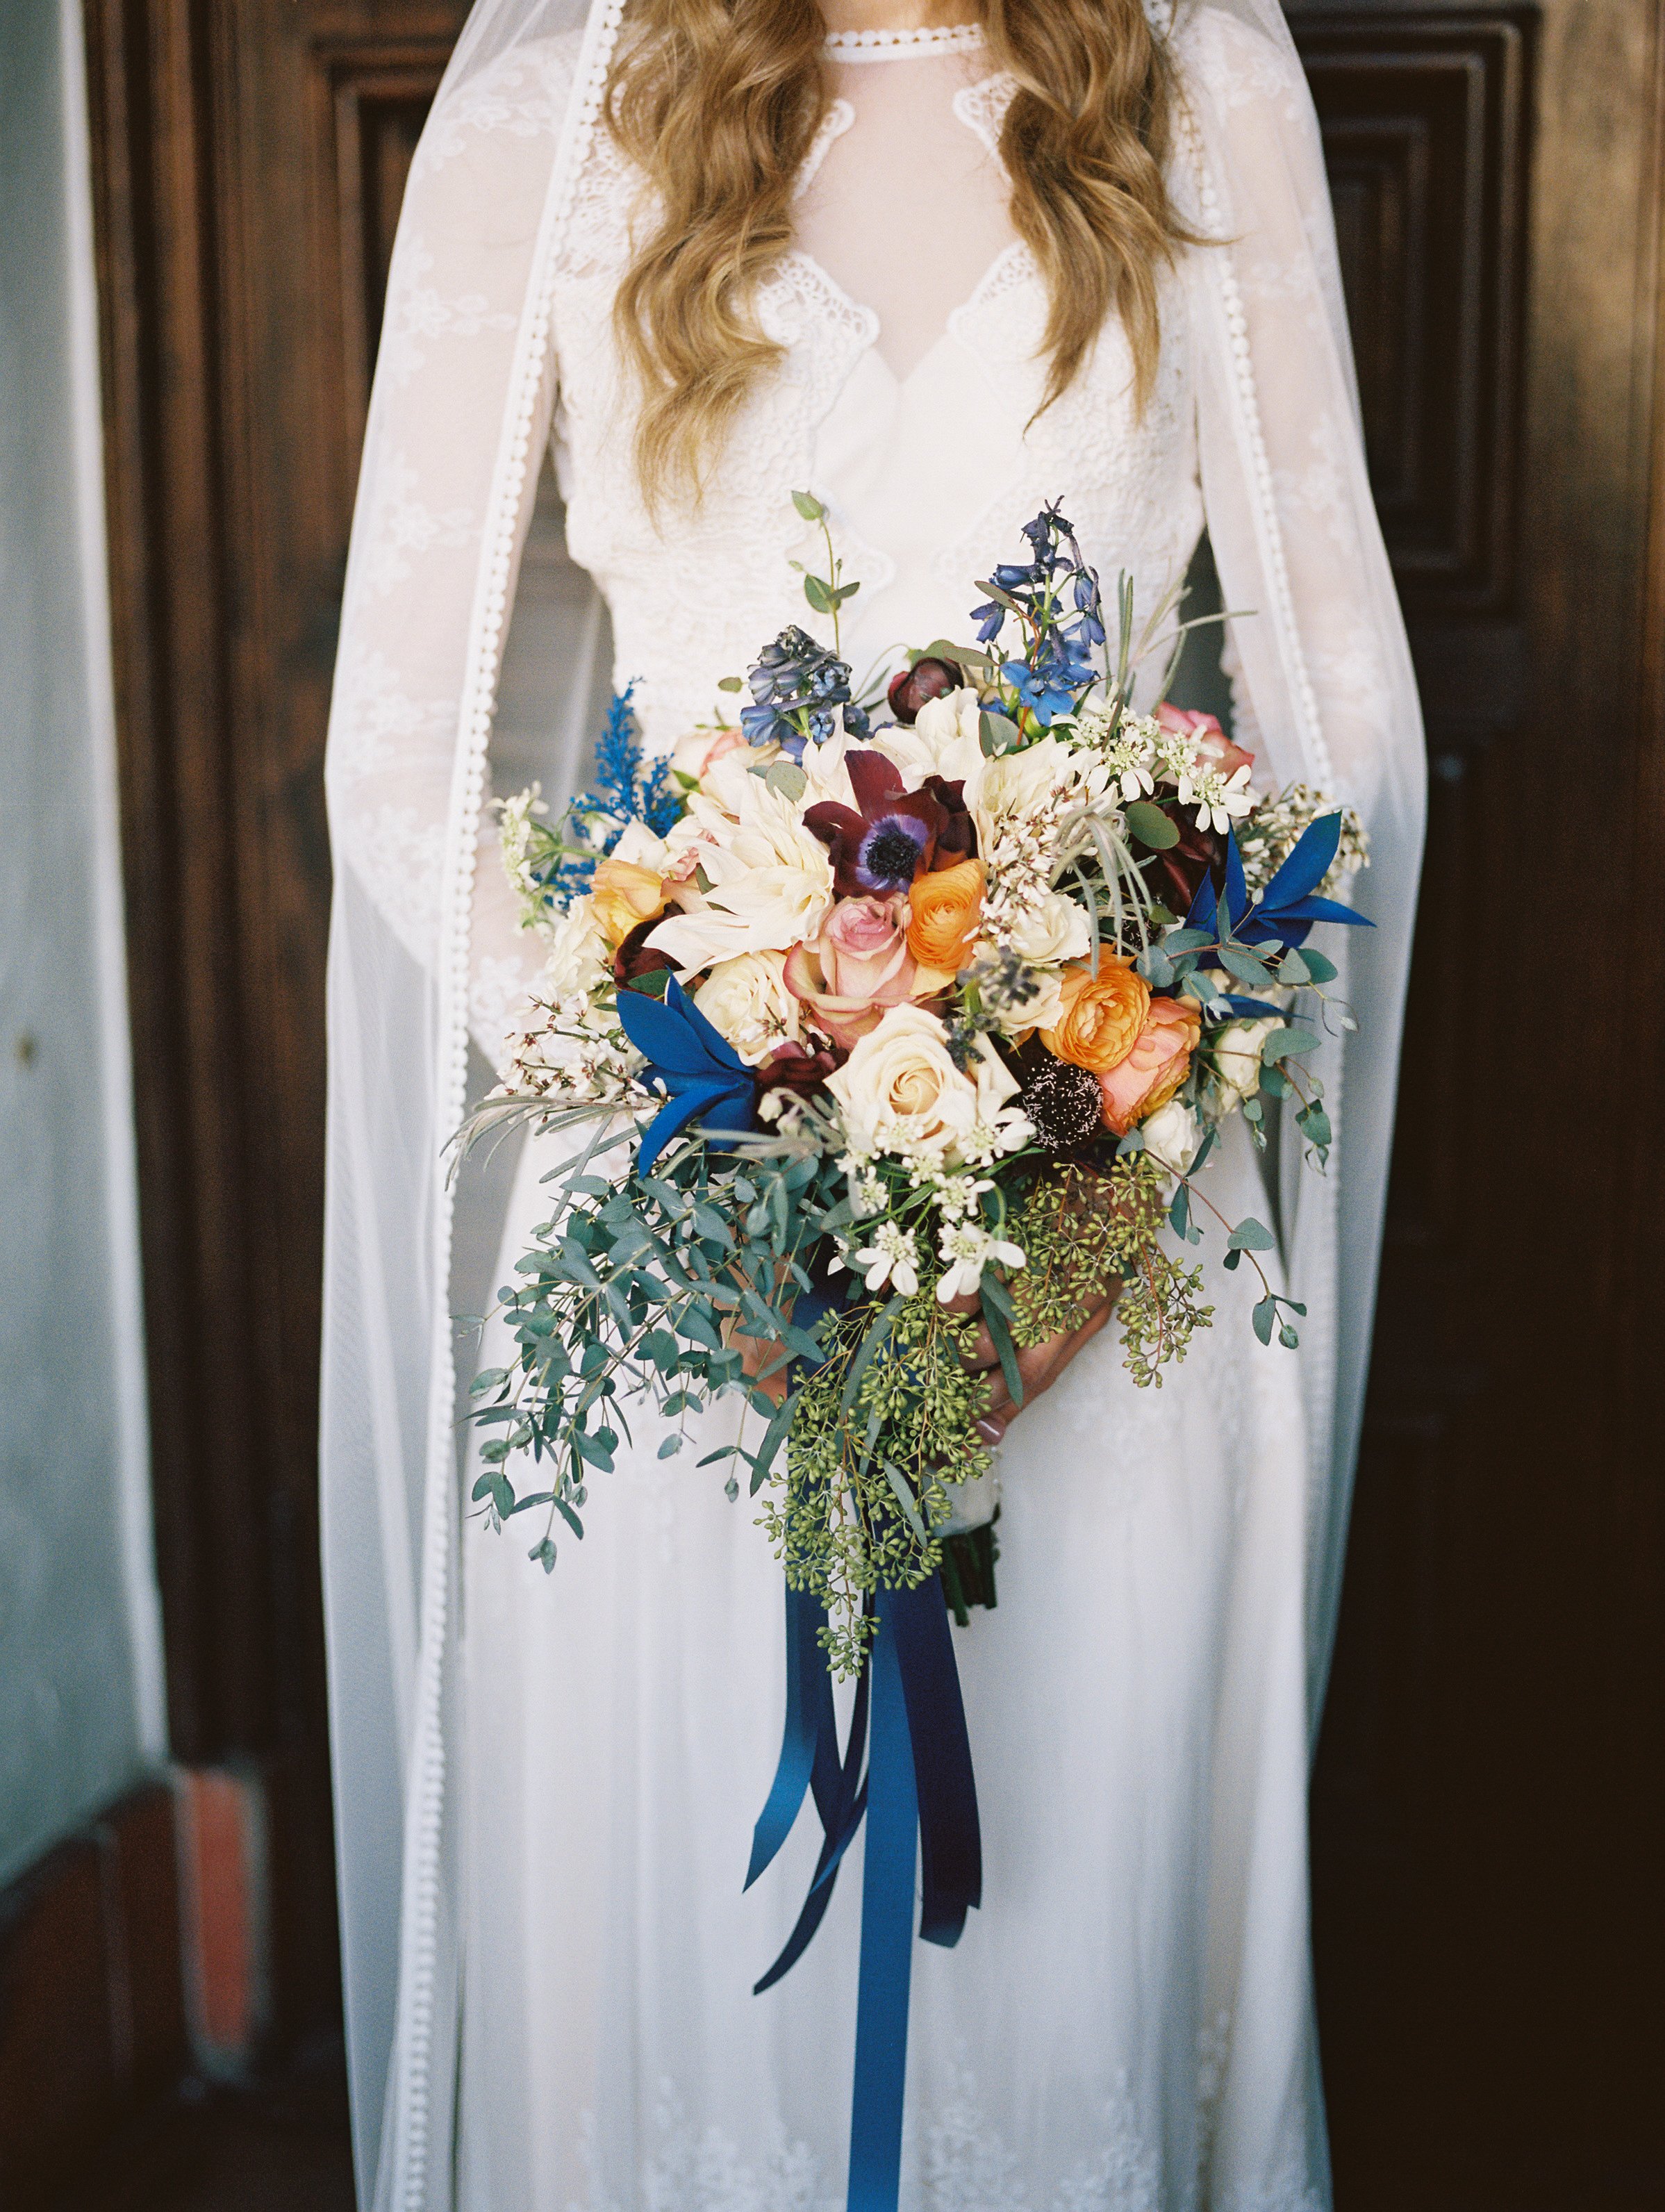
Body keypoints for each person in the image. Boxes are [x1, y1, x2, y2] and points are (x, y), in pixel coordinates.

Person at [320, 1, 1425, 2206]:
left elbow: (1345, 733)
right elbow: (398, 760)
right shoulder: (552, 104)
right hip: (677, 1286)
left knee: (1069, 2006)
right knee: (699, 2018)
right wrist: (709, 1113)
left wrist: (1111, 1159)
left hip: (1109, 1278)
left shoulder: (1198, 69)